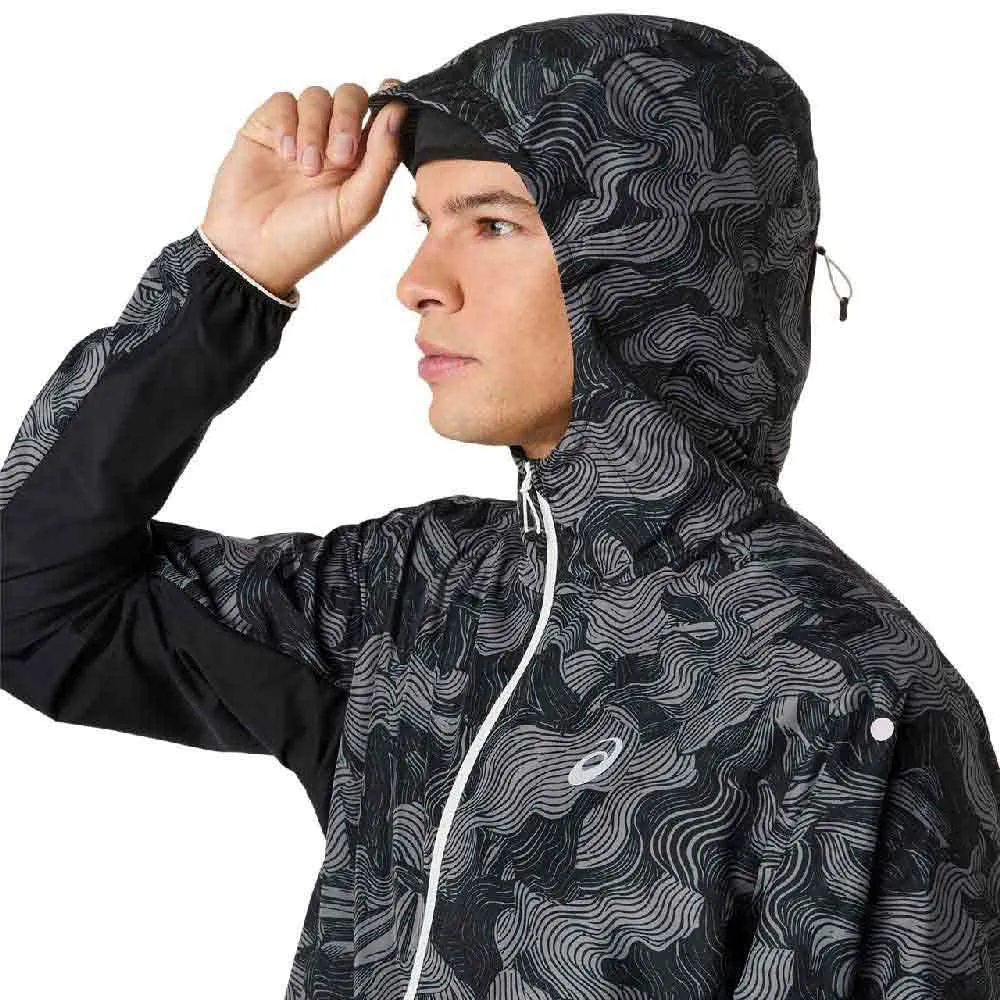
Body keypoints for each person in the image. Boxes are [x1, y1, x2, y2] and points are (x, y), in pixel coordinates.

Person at [2, 12, 998, 999]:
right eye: (426, 224)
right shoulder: (414, 594)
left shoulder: (843, 694)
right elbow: (31, 605)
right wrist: (229, 274)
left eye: (493, 224)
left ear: (653, 263)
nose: (417, 282)